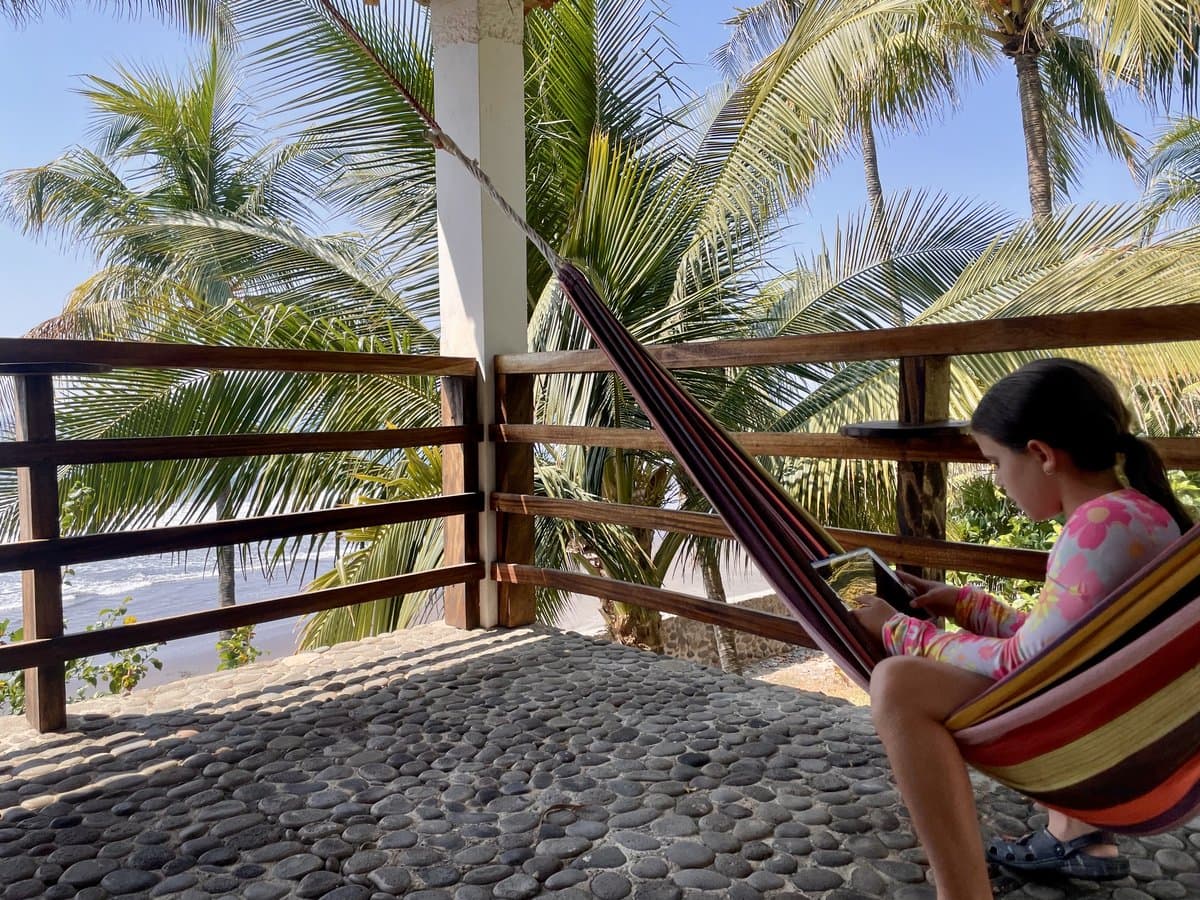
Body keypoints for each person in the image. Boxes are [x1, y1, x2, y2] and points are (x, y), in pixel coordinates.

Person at [849, 358, 1192, 900]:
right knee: (907, 673)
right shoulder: (1139, 512)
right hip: (1111, 709)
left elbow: (1024, 663)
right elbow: (1064, 637)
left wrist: (899, 631)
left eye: (994, 462)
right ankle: (1071, 839)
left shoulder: (1095, 529)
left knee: (898, 684)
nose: (998, 481)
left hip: (1086, 728)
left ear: (1040, 455)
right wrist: (965, 603)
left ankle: (962, 893)